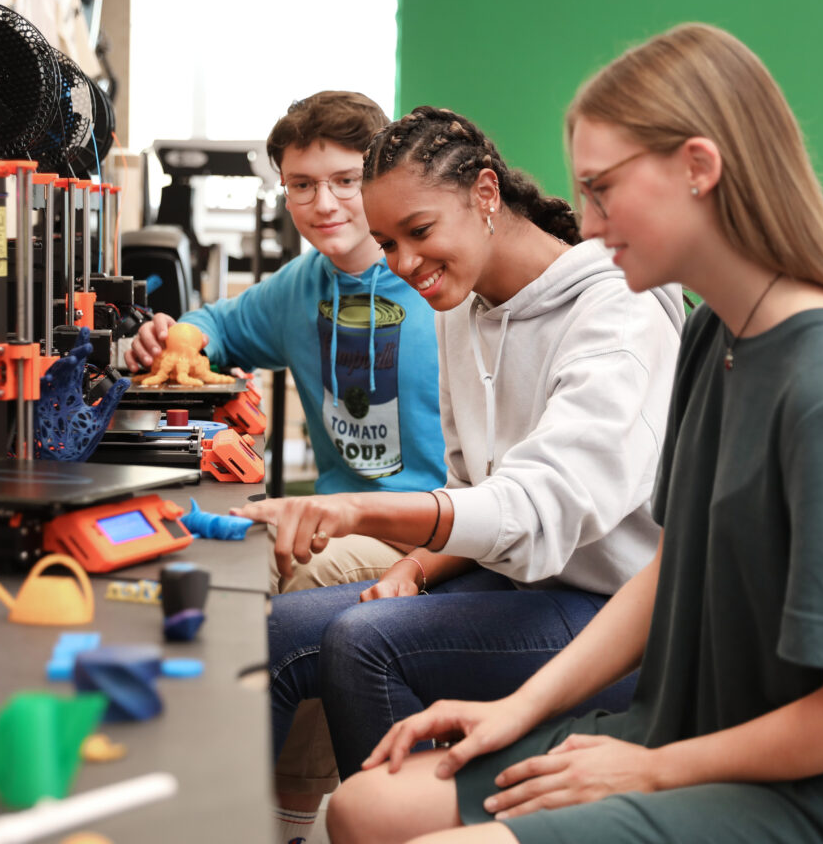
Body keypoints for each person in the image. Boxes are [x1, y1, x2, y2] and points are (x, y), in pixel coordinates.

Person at [326, 24, 823, 844]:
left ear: (699, 168)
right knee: (362, 810)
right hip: (678, 733)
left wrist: (650, 770)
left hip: (820, 799)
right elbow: (669, 569)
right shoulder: (715, 335)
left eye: (602, 190)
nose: (586, 225)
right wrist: (514, 708)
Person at [233, 106, 683, 795]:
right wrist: (414, 568)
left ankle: (401, 818)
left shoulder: (617, 312)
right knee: (277, 631)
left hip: (614, 611)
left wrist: (360, 512)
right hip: (517, 585)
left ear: (485, 194)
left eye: (418, 232)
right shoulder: (464, 308)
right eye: (387, 244)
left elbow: (537, 514)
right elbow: (476, 492)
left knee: (364, 643)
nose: (405, 264)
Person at [124, 90, 447, 844]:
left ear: (379, 177)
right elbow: (220, 322)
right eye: (302, 185)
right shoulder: (302, 286)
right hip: (338, 515)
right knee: (211, 559)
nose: (323, 203)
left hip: (434, 531)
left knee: (295, 573)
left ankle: (277, 819)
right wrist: (178, 337)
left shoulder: (440, 281)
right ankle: (184, 785)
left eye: (343, 180)